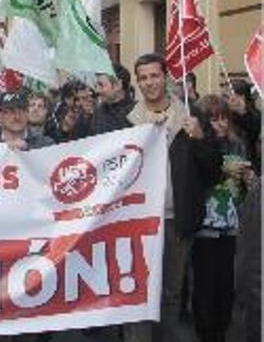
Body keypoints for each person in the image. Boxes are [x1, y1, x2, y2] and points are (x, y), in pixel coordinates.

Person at [123, 53, 223, 342]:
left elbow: (213, 171)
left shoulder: (190, 117)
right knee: (138, 289)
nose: (149, 82)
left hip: (176, 220)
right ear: (138, 82)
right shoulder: (127, 121)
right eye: (143, 77)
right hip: (137, 222)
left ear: (165, 77)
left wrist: (201, 139)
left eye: (155, 75)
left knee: (171, 293)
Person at [192, 94, 255, 342]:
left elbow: (244, 184)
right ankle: (206, 334)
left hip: (231, 225)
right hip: (204, 228)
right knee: (205, 286)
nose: (222, 124)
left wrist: (249, 180)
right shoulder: (197, 145)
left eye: (224, 118)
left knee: (225, 286)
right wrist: (220, 168)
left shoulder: (237, 144)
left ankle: (221, 331)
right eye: (214, 119)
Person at [89, 63, 134, 135]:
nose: (97, 90)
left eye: (101, 85)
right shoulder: (98, 111)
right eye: (96, 85)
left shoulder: (137, 112)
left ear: (118, 85)